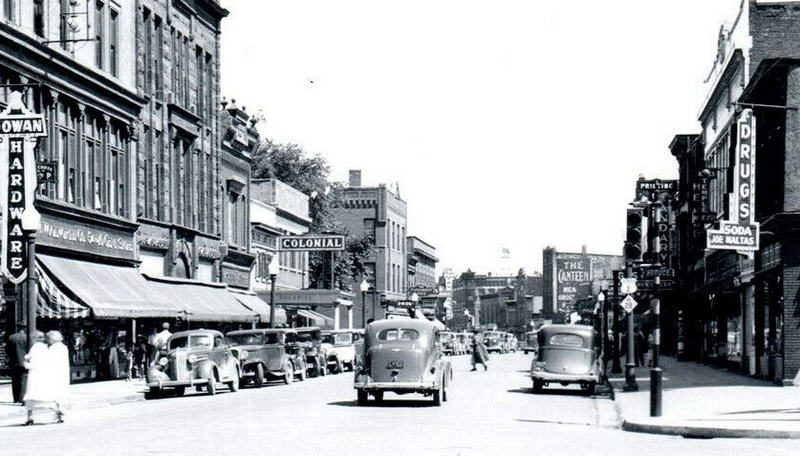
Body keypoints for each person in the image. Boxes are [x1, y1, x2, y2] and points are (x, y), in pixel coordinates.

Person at [24, 331, 68, 425]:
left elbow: (33, 363)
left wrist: (26, 363)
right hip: (49, 375)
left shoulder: (37, 347)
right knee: (50, 396)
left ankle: (30, 417)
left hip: (36, 374)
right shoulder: (55, 348)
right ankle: (57, 411)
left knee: (31, 395)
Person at [7, 324, 27, 404]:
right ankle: (21, 398)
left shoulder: (11, 337)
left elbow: (8, 349)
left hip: (14, 361)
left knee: (15, 380)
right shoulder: (27, 337)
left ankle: (15, 398)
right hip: (24, 362)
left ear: (17, 328)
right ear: (24, 328)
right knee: (23, 380)